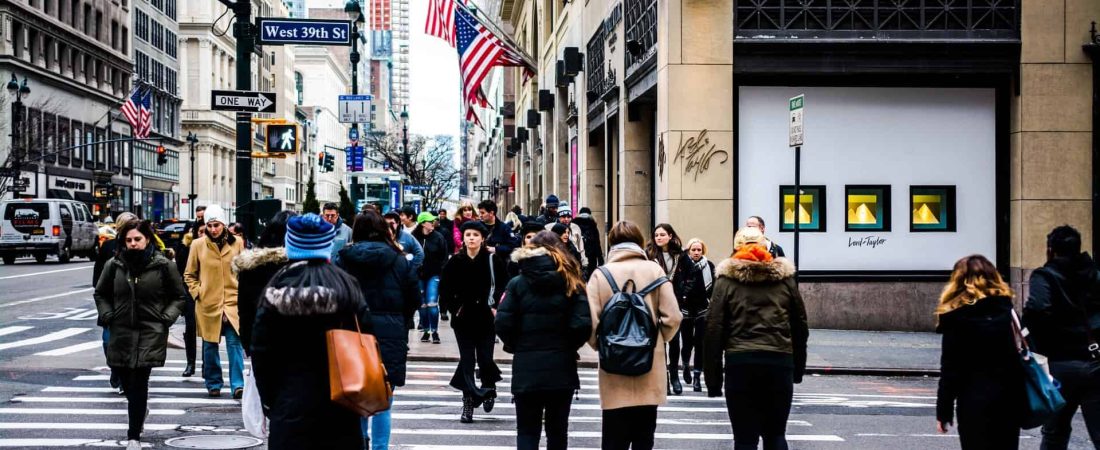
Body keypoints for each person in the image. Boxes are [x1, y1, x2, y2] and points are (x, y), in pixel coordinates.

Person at [251, 213, 374, 450]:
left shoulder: (277, 287)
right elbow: (367, 339)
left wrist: (270, 401)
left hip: (290, 401)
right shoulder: (346, 284)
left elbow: (261, 351)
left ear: (291, 244)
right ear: (327, 244)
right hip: (341, 399)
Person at [704, 227, 808, 450]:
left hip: (741, 363)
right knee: (776, 434)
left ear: (737, 247)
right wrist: (797, 369)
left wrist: (713, 380)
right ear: (764, 246)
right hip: (779, 362)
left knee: (745, 438)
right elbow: (800, 325)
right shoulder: (784, 280)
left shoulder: (726, 281)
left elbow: (714, 330)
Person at [586, 221, 682, 450]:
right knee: (644, 436)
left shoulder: (601, 274)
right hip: (648, 363)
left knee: (613, 437)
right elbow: (674, 317)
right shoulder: (655, 270)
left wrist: (602, 345)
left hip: (614, 364)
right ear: (640, 242)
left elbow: (589, 322)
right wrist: (657, 341)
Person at [94, 220, 186, 450]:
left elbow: (179, 296)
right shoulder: (114, 265)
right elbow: (101, 293)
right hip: (121, 331)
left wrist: (166, 318)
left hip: (150, 331)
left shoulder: (163, 265)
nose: (133, 244)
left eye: (137, 239)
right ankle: (139, 410)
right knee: (126, 380)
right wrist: (107, 315)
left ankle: (133, 435)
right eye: (128, 240)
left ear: (147, 240)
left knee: (139, 381)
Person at [496, 231, 592, 450]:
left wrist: (516, 344)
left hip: (527, 365)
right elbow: (582, 324)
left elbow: (503, 322)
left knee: (527, 431)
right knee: (557, 432)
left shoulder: (517, 283)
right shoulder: (572, 282)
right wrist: (569, 345)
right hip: (561, 364)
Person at [336, 211, 420, 450]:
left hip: (354, 332)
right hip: (390, 332)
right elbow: (413, 298)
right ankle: (380, 447)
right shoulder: (399, 260)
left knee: (356, 396)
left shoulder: (344, 258)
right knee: (384, 399)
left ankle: (360, 443)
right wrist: (401, 321)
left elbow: (337, 297)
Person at [933, 254, 1024, 449]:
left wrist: (944, 412)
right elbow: (1021, 353)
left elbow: (950, 369)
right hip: (1008, 400)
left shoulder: (955, 318)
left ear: (957, 282)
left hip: (972, 401)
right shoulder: (1007, 312)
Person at [1024, 225, 1100, 449]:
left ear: (1050, 250)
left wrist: (1037, 344)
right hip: (1094, 359)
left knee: (1055, 431)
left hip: (1060, 364)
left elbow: (1037, 310)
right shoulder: (1094, 274)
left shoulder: (1045, 276)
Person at [439, 220, 509, 423]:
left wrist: (496, 306)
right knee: (467, 360)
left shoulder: (492, 260)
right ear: (463, 238)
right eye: (468, 234)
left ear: (482, 238)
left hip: (487, 318)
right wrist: (454, 309)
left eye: (475, 235)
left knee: (485, 358)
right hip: (463, 319)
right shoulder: (455, 262)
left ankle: (489, 387)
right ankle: (468, 402)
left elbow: (505, 285)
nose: (471, 238)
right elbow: (445, 289)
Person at [183, 204, 247, 399]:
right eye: (209, 225)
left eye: (217, 225)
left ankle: (238, 385)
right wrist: (198, 292)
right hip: (208, 303)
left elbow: (244, 270)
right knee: (210, 346)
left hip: (232, 302)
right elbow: (189, 274)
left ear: (224, 225)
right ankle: (213, 383)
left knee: (235, 344)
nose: (213, 229)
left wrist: (241, 293)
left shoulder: (237, 243)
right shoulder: (197, 245)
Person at [231, 210, 296, 357]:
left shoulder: (250, 266)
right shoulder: (298, 265)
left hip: (260, 342)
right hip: (294, 345)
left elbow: (244, 309)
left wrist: (247, 343)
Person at [93, 212, 139, 392]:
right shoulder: (109, 247)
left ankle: (126, 375)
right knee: (108, 341)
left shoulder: (142, 246)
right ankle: (116, 368)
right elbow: (97, 279)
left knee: (132, 342)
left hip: (135, 304)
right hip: (112, 304)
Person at [645, 223, 685, 395]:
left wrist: (683, 293)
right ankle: (665, 378)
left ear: (670, 236)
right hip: (655, 302)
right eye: (656, 235)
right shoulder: (649, 255)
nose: (659, 238)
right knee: (659, 342)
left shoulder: (680, 256)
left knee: (675, 341)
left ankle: (675, 374)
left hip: (674, 301)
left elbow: (691, 276)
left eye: (662, 234)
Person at [672, 238, 715, 392]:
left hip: (703, 308)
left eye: (699, 250)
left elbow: (713, 287)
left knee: (700, 343)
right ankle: (685, 365)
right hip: (686, 309)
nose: (697, 253)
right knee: (687, 342)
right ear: (688, 251)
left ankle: (697, 376)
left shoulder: (708, 266)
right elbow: (679, 284)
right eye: (693, 250)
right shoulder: (683, 266)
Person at [413, 211, 448, 344]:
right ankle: (426, 330)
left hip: (434, 274)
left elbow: (444, 256)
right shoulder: (414, 237)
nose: (433, 223)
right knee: (422, 305)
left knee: (432, 302)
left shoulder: (438, 237)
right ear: (422, 223)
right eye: (429, 221)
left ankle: (434, 331)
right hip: (418, 275)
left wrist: (441, 272)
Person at [174, 219, 203, 377]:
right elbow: (181, 271)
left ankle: (207, 364)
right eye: (201, 231)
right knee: (191, 327)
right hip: (190, 292)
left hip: (209, 292)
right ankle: (190, 363)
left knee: (208, 331)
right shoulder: (185, 247)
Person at [573, 207, 604, 277]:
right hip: (591, 256)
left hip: (579, 255)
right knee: (590, 276)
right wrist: (600, 258)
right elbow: (597, 243)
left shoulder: (574, 224)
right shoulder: (593, 225)